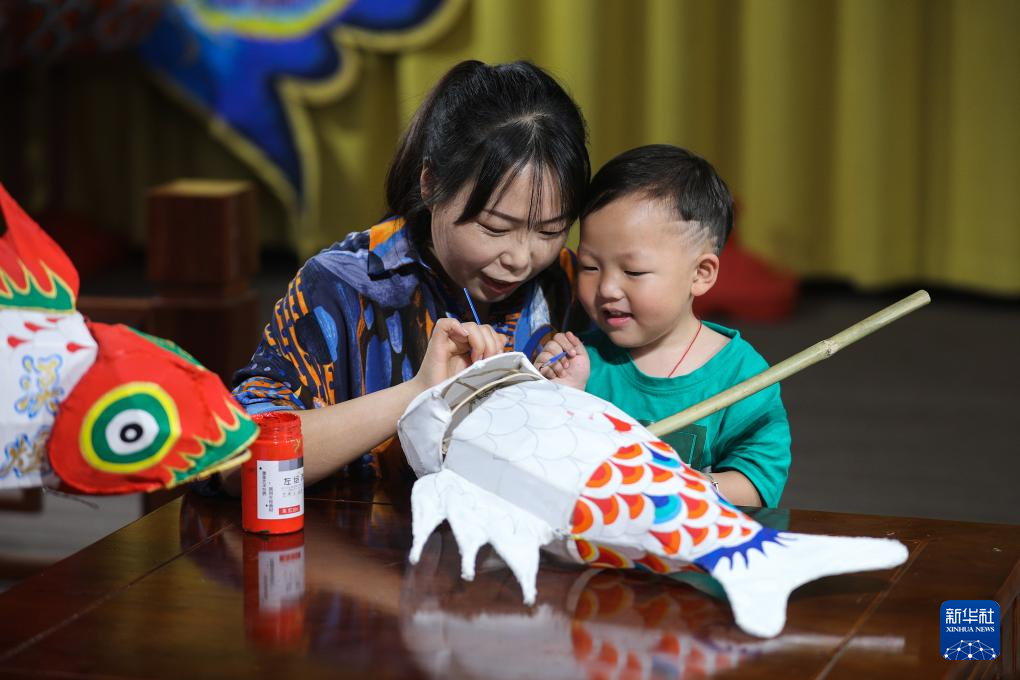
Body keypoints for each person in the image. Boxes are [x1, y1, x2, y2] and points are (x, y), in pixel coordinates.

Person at [220, 60, 590, 493]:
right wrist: (419, 392)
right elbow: (235, 464)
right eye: (494, 228)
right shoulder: (342, 285)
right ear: (431, 184)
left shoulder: (571, 282)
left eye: (550, 231)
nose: (522, 260)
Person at [536, 145, 790, 507]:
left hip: (692, 537)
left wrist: (680, 486)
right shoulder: (581, 361)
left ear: (700, 274)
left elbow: (758, 481)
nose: (607, 288)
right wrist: (561, 396)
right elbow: (547, 464)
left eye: (633, 271)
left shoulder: (742, 375)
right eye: (590, 267)